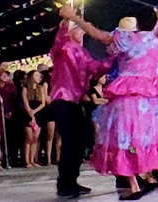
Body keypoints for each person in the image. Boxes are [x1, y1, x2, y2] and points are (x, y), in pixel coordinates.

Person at [61, 5, 158, 200]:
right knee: (147, 138)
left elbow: (99, 35)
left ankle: (135, 183)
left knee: (125, 139)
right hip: (151, 99)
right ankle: (146, 177)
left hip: (128, 97)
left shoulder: (129, 39)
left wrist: (74, 18)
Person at [47, 16, 108, 199]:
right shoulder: (63, 48)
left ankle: (71, 180)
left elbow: (96, 68)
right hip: (62, 99)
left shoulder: (83, 52)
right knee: (71, 142)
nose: (82, 33)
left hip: (76, 102)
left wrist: (113, 59)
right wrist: (67, 19)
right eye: (79, 29)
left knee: (81, 141)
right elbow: (60, 38)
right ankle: (64, 184)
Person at [0, 68, 19, 166]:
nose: (5, 77)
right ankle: (3, 157)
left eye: (6, 75)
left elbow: (14, 99)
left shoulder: (11, 86)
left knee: (12, 136)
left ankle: (13, 157)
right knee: (2, 138)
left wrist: (11, 111)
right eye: (2, 75)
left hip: (11, 113)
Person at [21, 70, 46, 168]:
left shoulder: (41, 88)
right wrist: (31, 114)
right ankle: (26, 161)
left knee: (35, 138)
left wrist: (34, 112)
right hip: (28, 113)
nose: (38, 77)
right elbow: (25, 103)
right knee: (29, 138)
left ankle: (32, 160)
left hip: (38, 113)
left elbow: (43, 103)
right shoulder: (26, 88)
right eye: (36, 75)